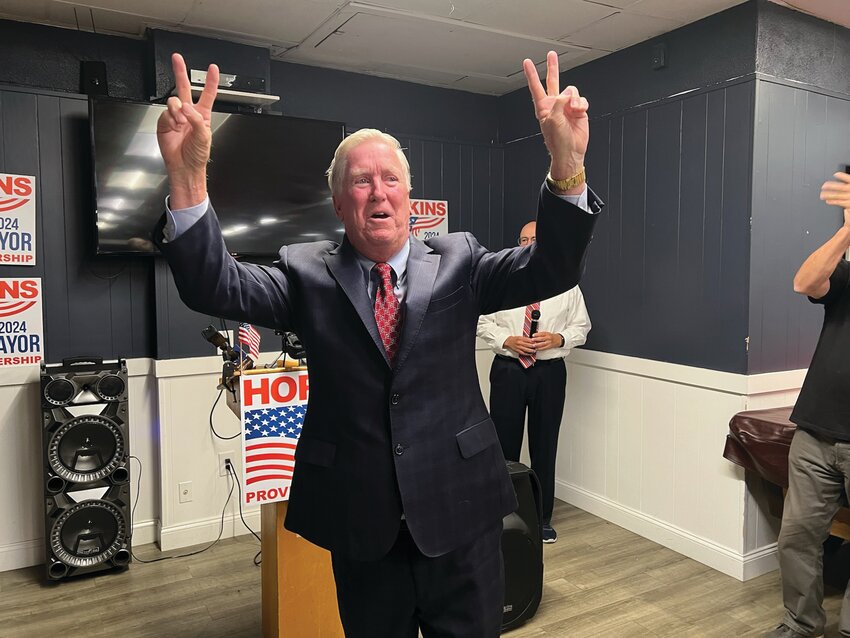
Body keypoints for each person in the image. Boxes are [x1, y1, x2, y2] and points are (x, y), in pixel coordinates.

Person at [153, 50, 603, 637]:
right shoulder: (305, 273)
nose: (378, 192)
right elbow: (214, 283)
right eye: (361, 182)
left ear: (411, 201)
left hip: (460, 514)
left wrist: (566, 164)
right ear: (340, 204)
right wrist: (188, 180)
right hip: (361, 523)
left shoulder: (461, 261)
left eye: (391, 179)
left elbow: (552, 267)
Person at [764, 172, 850, 638]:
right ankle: (801, 624)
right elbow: (804, 281)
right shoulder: (845, 276)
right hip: (816, 433)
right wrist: (848, 229)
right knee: (796, 537)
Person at [476, 219, 591, 544]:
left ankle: (541, 519)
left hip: (550, 374)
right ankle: (505, 515)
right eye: (523, 240)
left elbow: (582, 327)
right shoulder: (501, 282)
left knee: (544, 446)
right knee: (504, 446)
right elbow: (482, 322)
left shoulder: (567, 285)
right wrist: (506, 341)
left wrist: (558, 338)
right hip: (508, 371)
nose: (528, 245)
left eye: (535, 240)